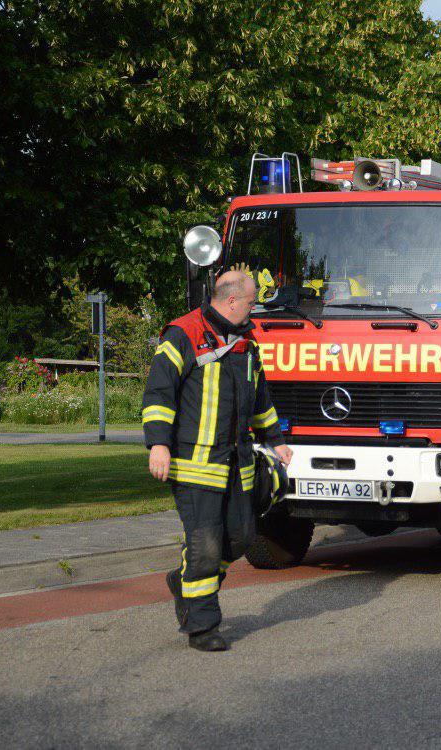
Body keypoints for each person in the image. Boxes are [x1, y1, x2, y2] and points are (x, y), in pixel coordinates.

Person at [142, 270, 293, 652]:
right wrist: (158, 445)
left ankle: (185, 582)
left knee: (241, 537)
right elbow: (159, 393)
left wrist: (275, 441)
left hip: (237, 463)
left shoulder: (246, 343)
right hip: (195, 464)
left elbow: (260, 398)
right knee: (206, 545)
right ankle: (202, 625)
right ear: (231, 301)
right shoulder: (183, 334)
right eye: (252, 302)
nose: (254, 308)